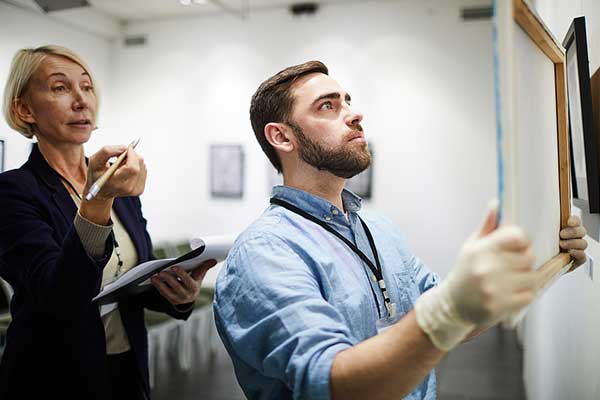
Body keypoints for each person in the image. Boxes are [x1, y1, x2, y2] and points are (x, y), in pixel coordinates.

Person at [213, 61, 588, 400]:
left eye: (347, 100)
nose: (354, 113)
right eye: (328, 106)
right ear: (282, 137)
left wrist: (544, 257)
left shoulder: (378, 228)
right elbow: (332, 383)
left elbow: (454, 318)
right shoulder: (264, 252)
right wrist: (450, 308)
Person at [0, 45, 215, 399]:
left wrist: (177, 296)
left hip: (126, 368)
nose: (81, 100)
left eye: (86, 87)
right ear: (24, 109)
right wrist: (98, 198)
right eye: (59, 88)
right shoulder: (12, 193)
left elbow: (132, 280)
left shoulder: (118, 183)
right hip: (51, 377)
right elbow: (60, 299)